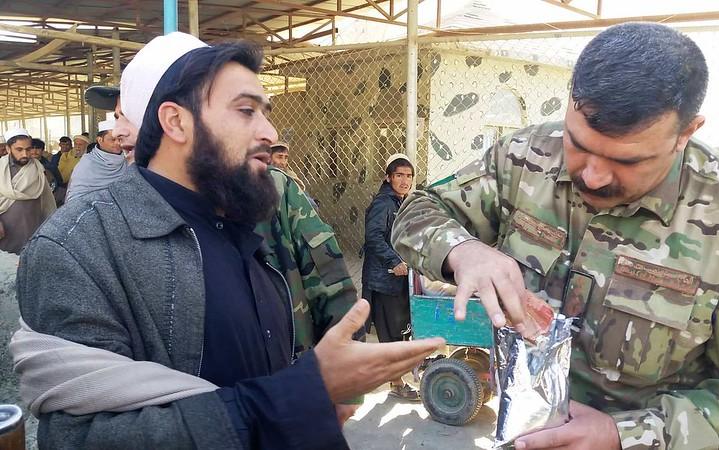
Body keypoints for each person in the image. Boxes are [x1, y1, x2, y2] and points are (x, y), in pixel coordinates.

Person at [13, 32, 442, 449]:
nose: (270, 133)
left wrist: (321, 395)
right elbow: (81, 437)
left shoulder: (240, 226)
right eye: (245, 111)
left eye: (264, 111)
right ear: (175, 121)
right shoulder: (75, 248)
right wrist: (302, 394)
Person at [392, 22, 719, 449]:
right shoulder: (525, 157)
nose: (592, 175)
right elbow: (418, 212)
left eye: (627, 161)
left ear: (685, 134)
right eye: (579, 144)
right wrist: (464, 250)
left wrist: (624, 436)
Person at [84, 44, 363, 422]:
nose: (117, 131)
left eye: (124, 114)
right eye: (245, 111)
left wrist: (336, 384)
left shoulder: (266, 192)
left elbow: (329, 279)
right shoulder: (91, 241)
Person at [361, 153, 418, 400]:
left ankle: (392, 377)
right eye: (399, 175)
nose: (405, 181)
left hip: (395, 279)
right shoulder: (384, 203)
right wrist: (394, 261)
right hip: (384, 280)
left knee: (397, 331)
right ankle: (396, 383)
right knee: (391, 334)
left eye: (409, 176)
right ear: (388, 177)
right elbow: (372, 237)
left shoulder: (401, 201)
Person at [0, 129, 56, 254]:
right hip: (4, 232)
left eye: (28, 149)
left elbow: (47, 202)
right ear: (8, 149)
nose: (25, 154)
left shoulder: (38, 169)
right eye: (19, 150)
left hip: (32, 228)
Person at [65, 116, 125, 202]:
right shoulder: (87, 164)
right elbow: (74, 199)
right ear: (100, 140)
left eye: (120, 139)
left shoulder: (127, 162)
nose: (118, 143)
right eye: (113, 139)